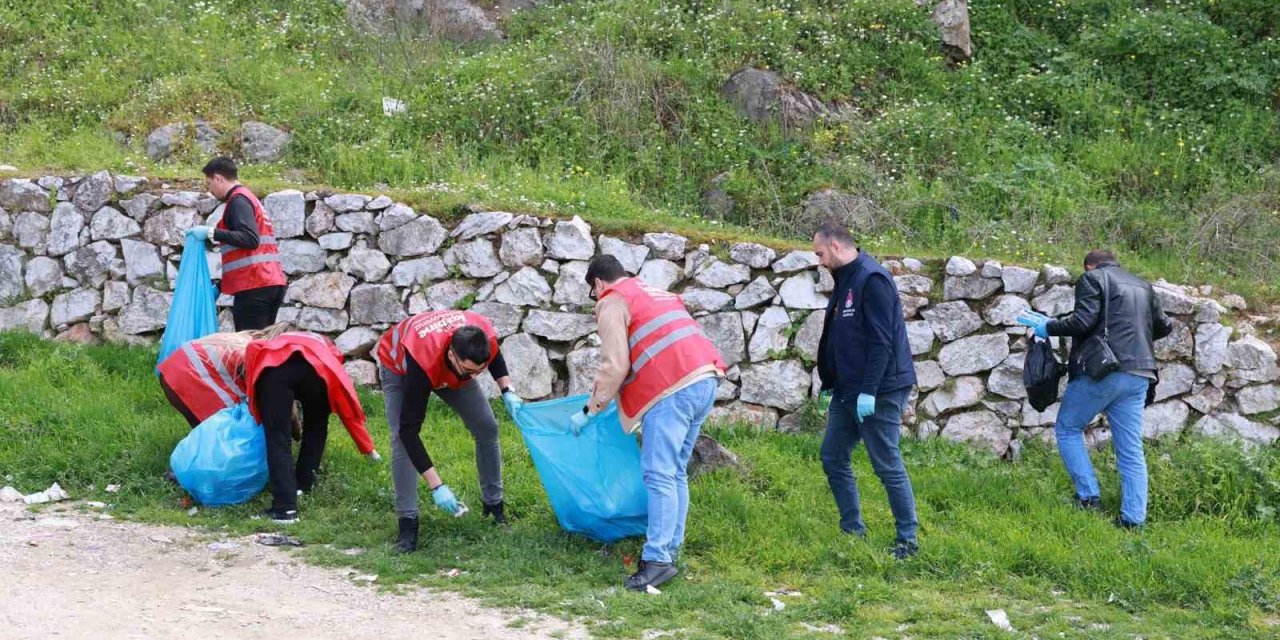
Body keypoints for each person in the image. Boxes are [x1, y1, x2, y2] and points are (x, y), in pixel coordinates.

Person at [577, 255, 726, 592]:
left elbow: (614, 364)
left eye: (593, 293)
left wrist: (591, 408)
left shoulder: (613, 301)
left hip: (672, 389)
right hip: (705, 378)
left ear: (598, 284)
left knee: (659, 473)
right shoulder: (652, 291)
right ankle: (671, 550)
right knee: (674, 471)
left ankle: (657, 561)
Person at [1017, 250, 1172, 529]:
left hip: (1104, 370)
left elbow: (1083, 321)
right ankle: (1132, 520)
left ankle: (1088, 497)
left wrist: (1047, 327)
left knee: (1068, 428)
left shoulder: (1092, 279)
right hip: (1140, 373)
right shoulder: (1142, 285)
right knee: (1131, 449)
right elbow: (1164, 326)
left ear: (1089, 266)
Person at [374, 310, 524, 553]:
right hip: (402, 367)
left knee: (487, 427)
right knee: (400, 441)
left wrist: (507, 391)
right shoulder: (422, 362)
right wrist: (437, 486)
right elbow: (409, 431)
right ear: (453, 355)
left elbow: (494, 359)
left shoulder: (482, 335)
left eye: (479, 372)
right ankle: (408, 524)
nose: (474, 377)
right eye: (468, 371)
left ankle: (494, 507)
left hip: (443, 363)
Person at [812, 221, 920, 560]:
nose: (819, 261)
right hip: (847, 389)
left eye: (820, 253)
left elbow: (880, 343)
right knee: (832, 455)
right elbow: (839, 338)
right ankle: (852, 530)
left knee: (886, 462)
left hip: (880, 389)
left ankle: (908, 540)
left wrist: (869, 392)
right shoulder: (844, 279)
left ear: (838, 247)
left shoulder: (872, 280)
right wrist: (830, 383)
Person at [244, 331, 381, 523]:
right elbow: (348, 409)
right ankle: (303, 484)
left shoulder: (272, 343)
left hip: (276, 368)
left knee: (278, 438)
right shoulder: (327, 348)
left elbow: (252, 351)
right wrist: (369, 448)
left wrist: (253, 403)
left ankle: (285, 508)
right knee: (316, 427)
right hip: (320, 369)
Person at [186, 157, 287, 331]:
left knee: (250, 346)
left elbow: (250, 239)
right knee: (262, 346)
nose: (210, 190)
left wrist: (211, 232)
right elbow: (246, 256)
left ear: (218, 178)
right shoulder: (249, 199)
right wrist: (220, 286)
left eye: (209, 183)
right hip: (267, 281)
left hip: (255, 287)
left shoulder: (238, 201)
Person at [157, 322, 293, 427]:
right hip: (190, 376)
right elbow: (268, 398)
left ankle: (196, 456)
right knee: (236, 424)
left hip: (169, 372)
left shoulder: (243, 336)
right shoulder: (256, 352)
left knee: (207, 432)